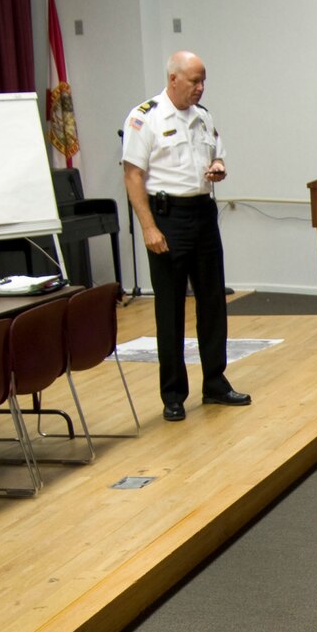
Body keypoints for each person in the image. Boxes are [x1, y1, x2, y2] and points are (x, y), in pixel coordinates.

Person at [120, 51, 250, 421]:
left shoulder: (203, 117)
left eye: (203, 80)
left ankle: (215, 381)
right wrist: (148, 226)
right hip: (167, 217)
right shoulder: (144, 118)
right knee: (170, 308)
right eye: (194, 81)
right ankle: (173, 393)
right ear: (173, 79)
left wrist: (219, 166)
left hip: (202, 213)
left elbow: (218, 155)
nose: (200, 87)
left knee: (212, 302)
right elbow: (132, 176)